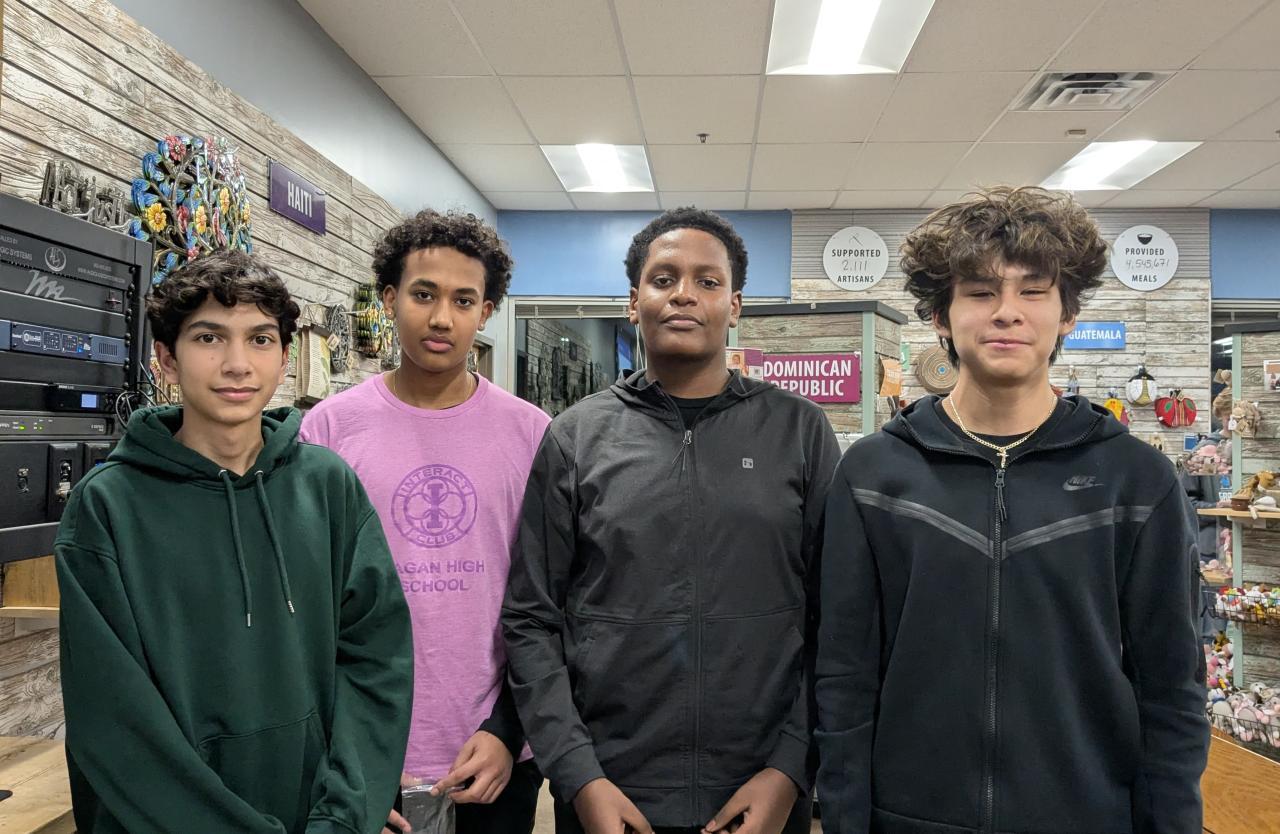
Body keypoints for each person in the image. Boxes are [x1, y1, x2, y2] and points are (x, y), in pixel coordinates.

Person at [815, 187, 1209, 833]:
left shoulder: (1137, 481)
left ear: (1067, 313)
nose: (1006, 312)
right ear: (941, 317)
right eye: (979, 292)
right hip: (909, 818)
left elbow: (1172, 688)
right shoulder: (874, 474)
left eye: (1033, 291)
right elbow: (843, 675)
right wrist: (845, 818)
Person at [503, 207, 840, 834]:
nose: (684, 294)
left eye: (707, 281)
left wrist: (791, 769)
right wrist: (578, 776)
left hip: (760, 791)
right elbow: (531, 619)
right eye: (664, 279)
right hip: (611, 793)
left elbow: (837, 618)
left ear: (734, 306)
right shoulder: (576, 437)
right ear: (635, 303)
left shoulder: (799, 431)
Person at [56, 250, 413, 833]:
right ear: (166, 359)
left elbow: (377, 660)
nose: (238, 364)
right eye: (209, 338)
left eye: (260, 339)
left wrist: (347, 814)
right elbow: (114, 720)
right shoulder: (107, 506)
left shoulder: (328, 486)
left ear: (284, 358)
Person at [301, 210, 549, 834]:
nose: (442, 317)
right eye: (423, 294)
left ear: (486, 311)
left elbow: (551, 601)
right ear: (389, 300)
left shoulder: (532, 434)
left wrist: (507, 730)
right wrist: (344, 754)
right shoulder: (327, 430)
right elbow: (306, 607)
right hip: (361, 751)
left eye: (463, 300)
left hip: (493, 754)